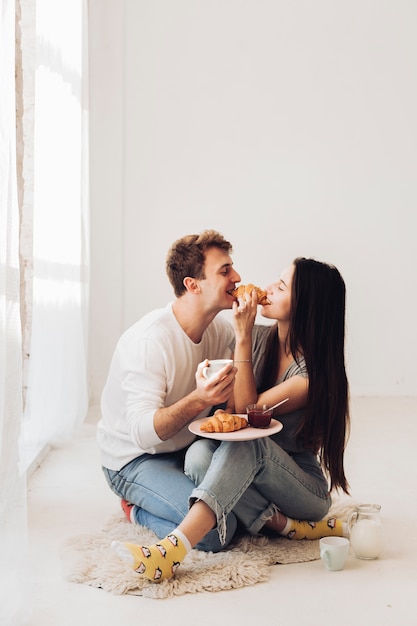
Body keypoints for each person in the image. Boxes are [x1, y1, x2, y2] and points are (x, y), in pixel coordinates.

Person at [111, 257, 351, 582]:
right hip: (252, 472)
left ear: (307, 304)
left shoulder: (309, 377)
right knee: (197, 457)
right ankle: (281, 525)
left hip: (299, 486)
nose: (267, 289)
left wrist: (242, 336)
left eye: (280, 287)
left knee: (250, 447)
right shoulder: (261, 339)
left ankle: (174, 548)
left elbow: (246, 412)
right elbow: (233, 407)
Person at [97, 230, 242, 553]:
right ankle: (135, 509)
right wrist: (200, 399)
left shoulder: (221, 331)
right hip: (133, 460)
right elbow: (142, 434)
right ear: (193, 284)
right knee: (217, 532)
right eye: (224, 271)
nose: (237, 277)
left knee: (240, 510)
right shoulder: (150, 341)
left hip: (185, 449)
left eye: (232, 267)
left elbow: (234, 408)